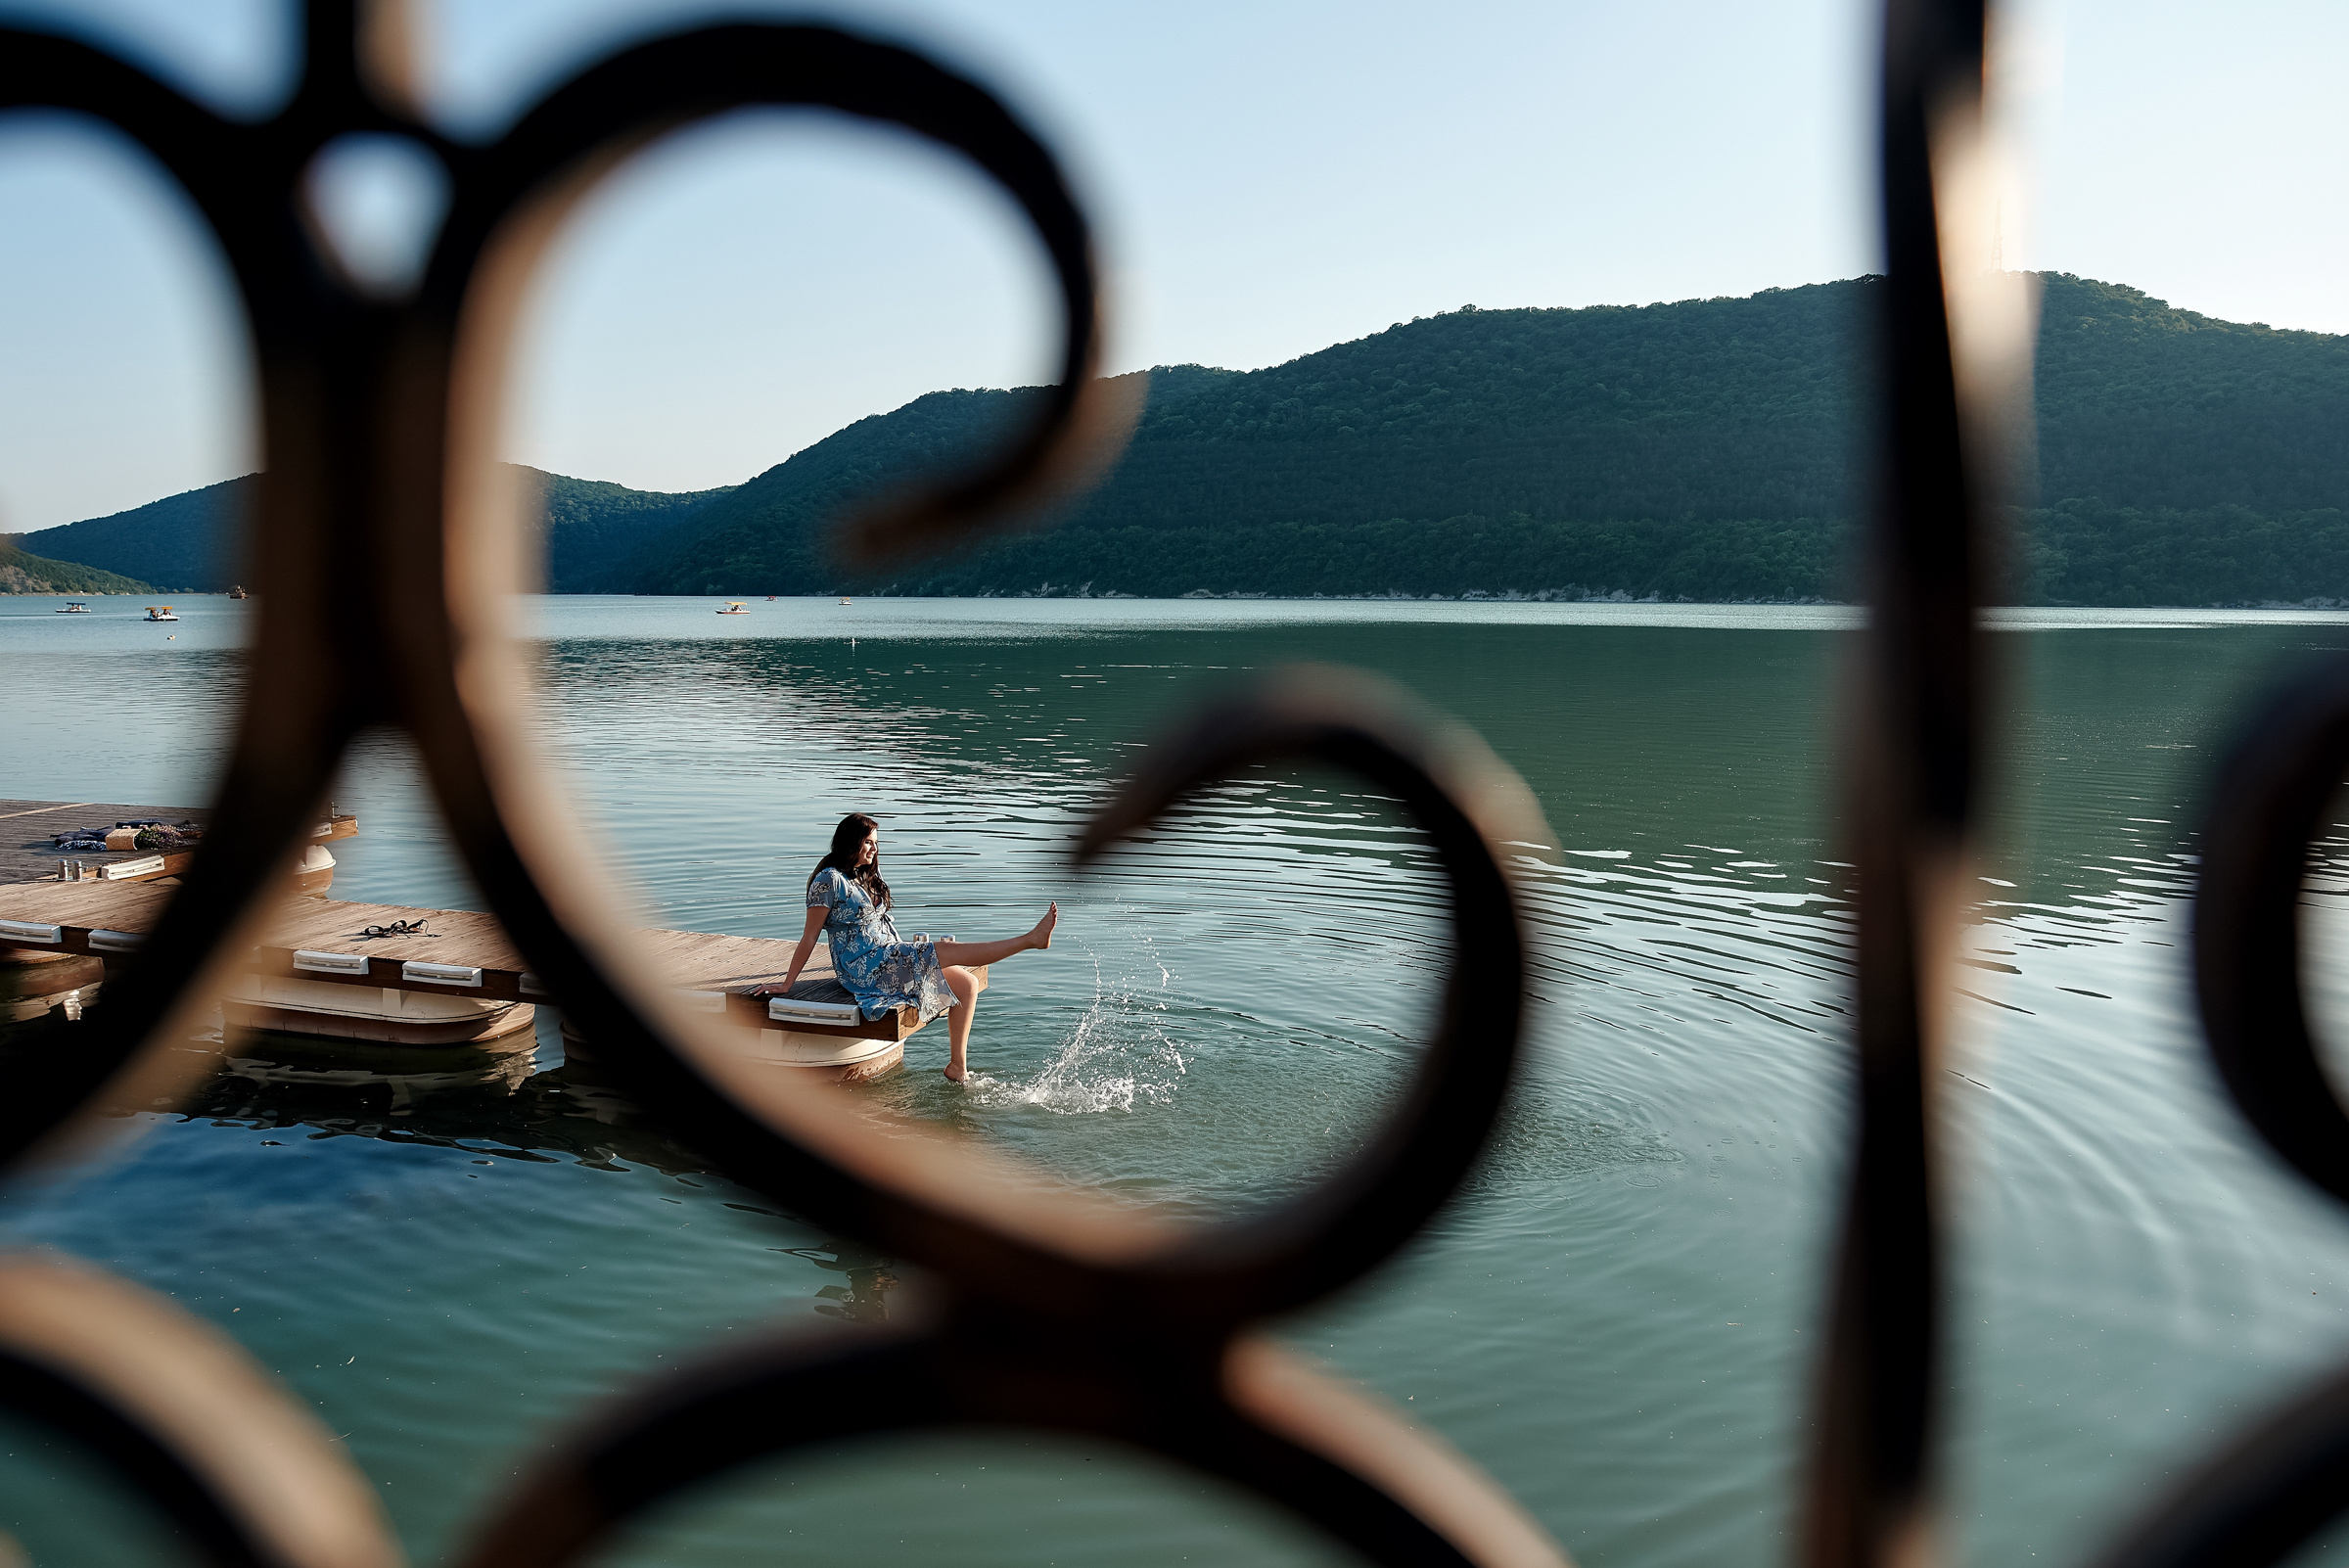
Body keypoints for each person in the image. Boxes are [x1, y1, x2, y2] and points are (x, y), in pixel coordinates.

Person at [760, 812, 1056, 1083]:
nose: (874, 849)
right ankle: (1029, 940)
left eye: (875, 842)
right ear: (850, 842)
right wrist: (788, 983)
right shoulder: (829, 881)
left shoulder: (863, 875)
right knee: (942, 950)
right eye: (867, 842)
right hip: (865, 970)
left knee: (965, 983)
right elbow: (810, 936)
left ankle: (958, 1067)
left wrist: (906, 951)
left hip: (888, 955)